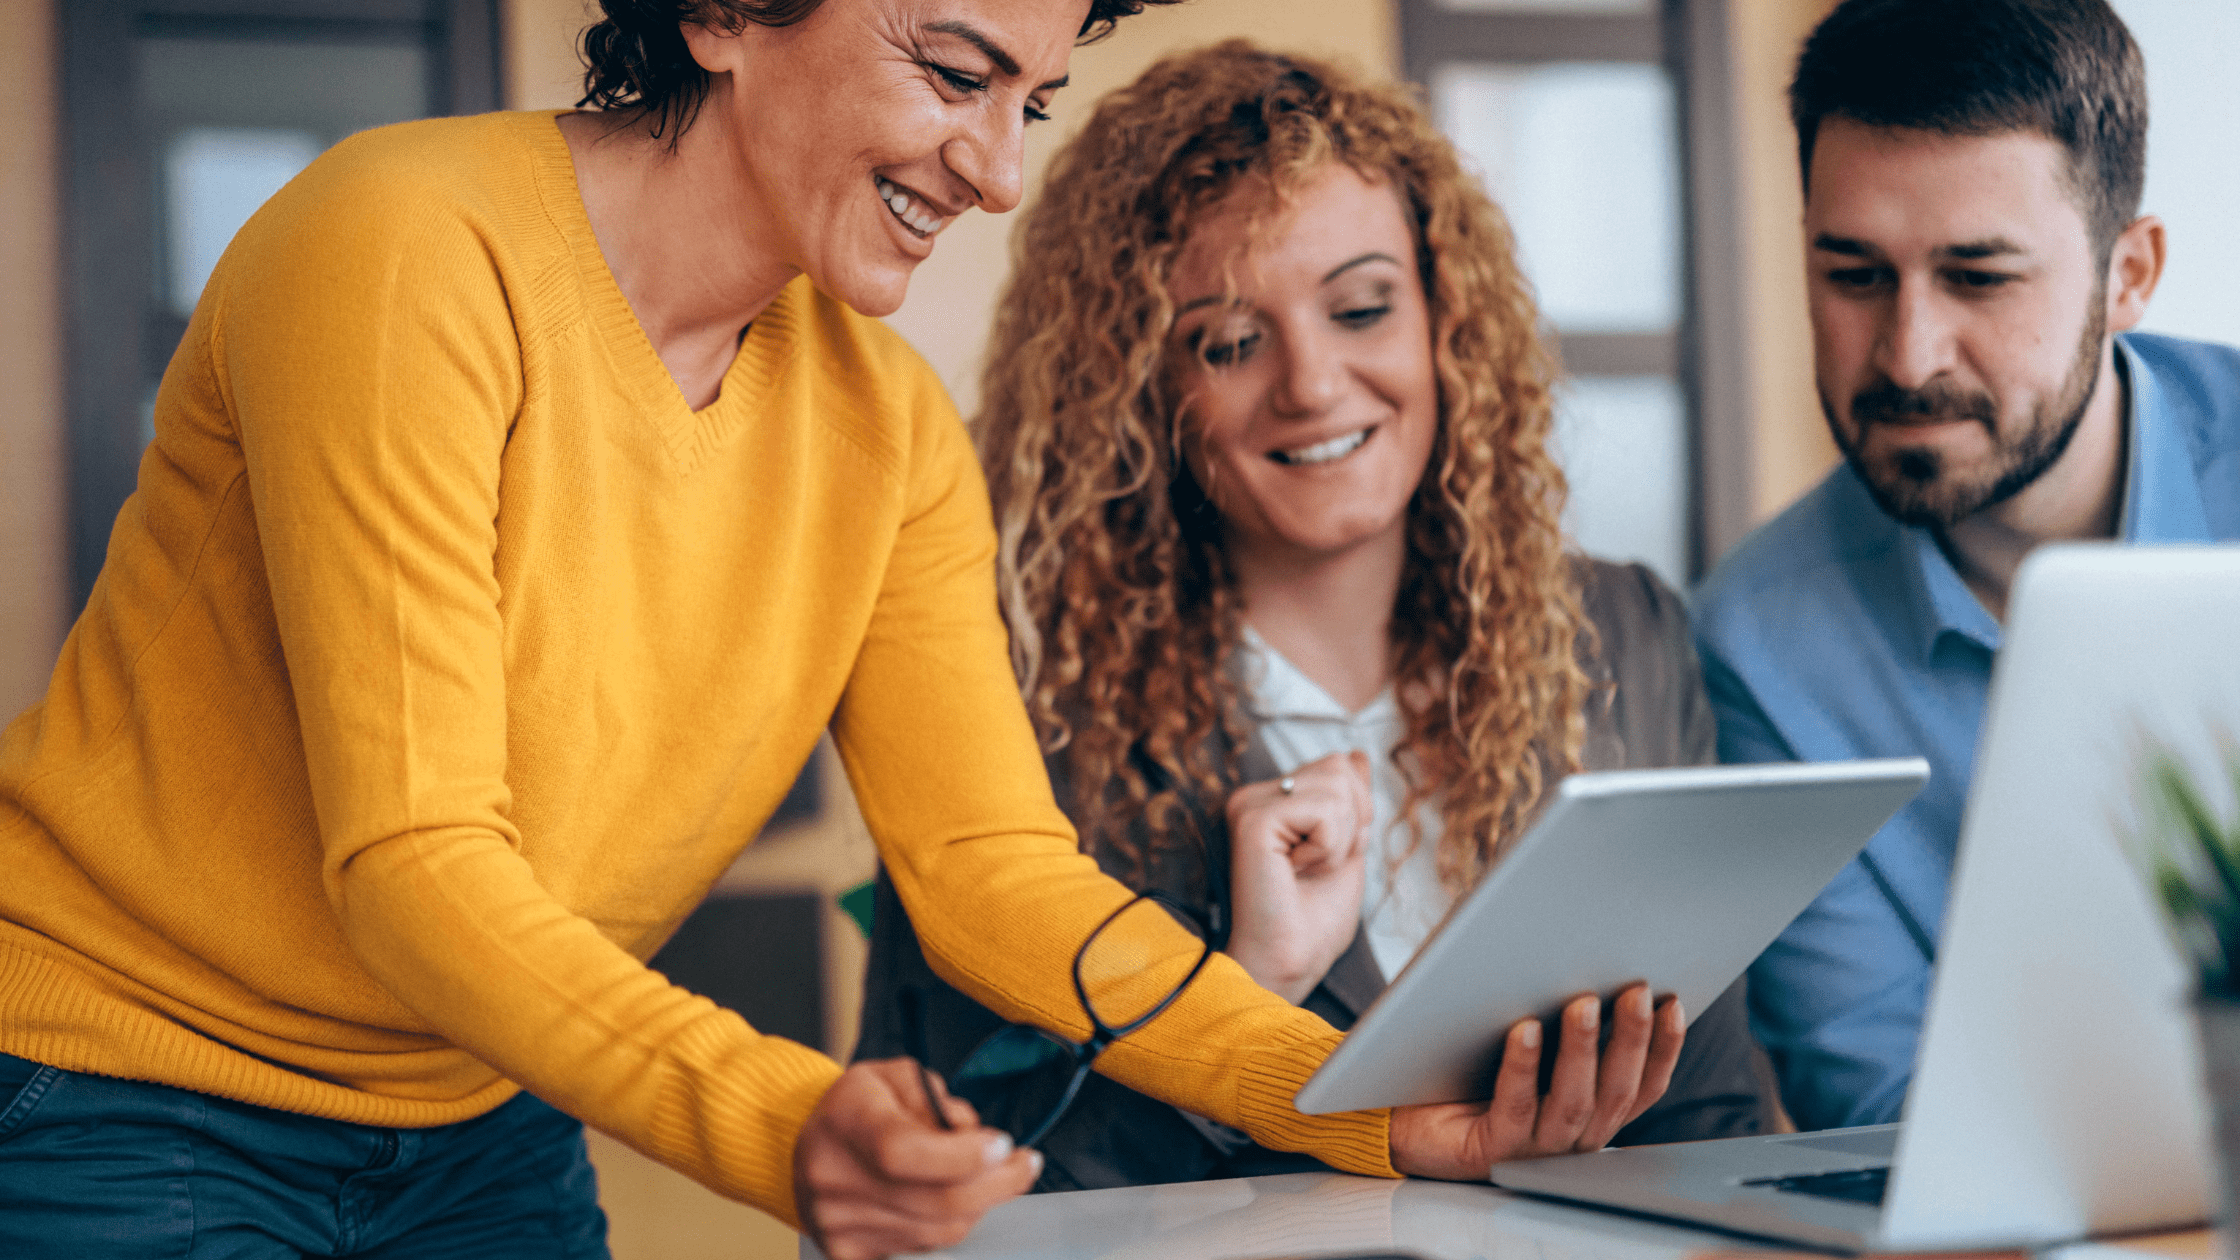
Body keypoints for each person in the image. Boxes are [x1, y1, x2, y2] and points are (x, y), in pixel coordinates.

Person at [0, 2, 1182, 1257]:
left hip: (480, 1104)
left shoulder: (889, 431)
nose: (1000, 174)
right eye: (955, 75)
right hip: (120, 1087)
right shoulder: (407, 242)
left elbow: (994, 875)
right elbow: (415, 863)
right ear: (724, 16)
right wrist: (781, 1119)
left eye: (1030, 104)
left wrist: (1358, 1111)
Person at [858, 41, 1770, 1192]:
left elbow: (1714, 1116)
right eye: (1230, 343)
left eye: (1360, 308)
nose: (1312, 384)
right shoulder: (1011, 702)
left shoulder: (1621, 636)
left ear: (1444, 318)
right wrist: (1249, 991)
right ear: (1144, 386)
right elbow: (953, 1182)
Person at [1693, 0, 2240, 1132]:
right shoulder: (1755, 645)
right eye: (1852, 276)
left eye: (1977, 278)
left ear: (2127, 274)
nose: (1905, 354)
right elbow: (1885, 1112)